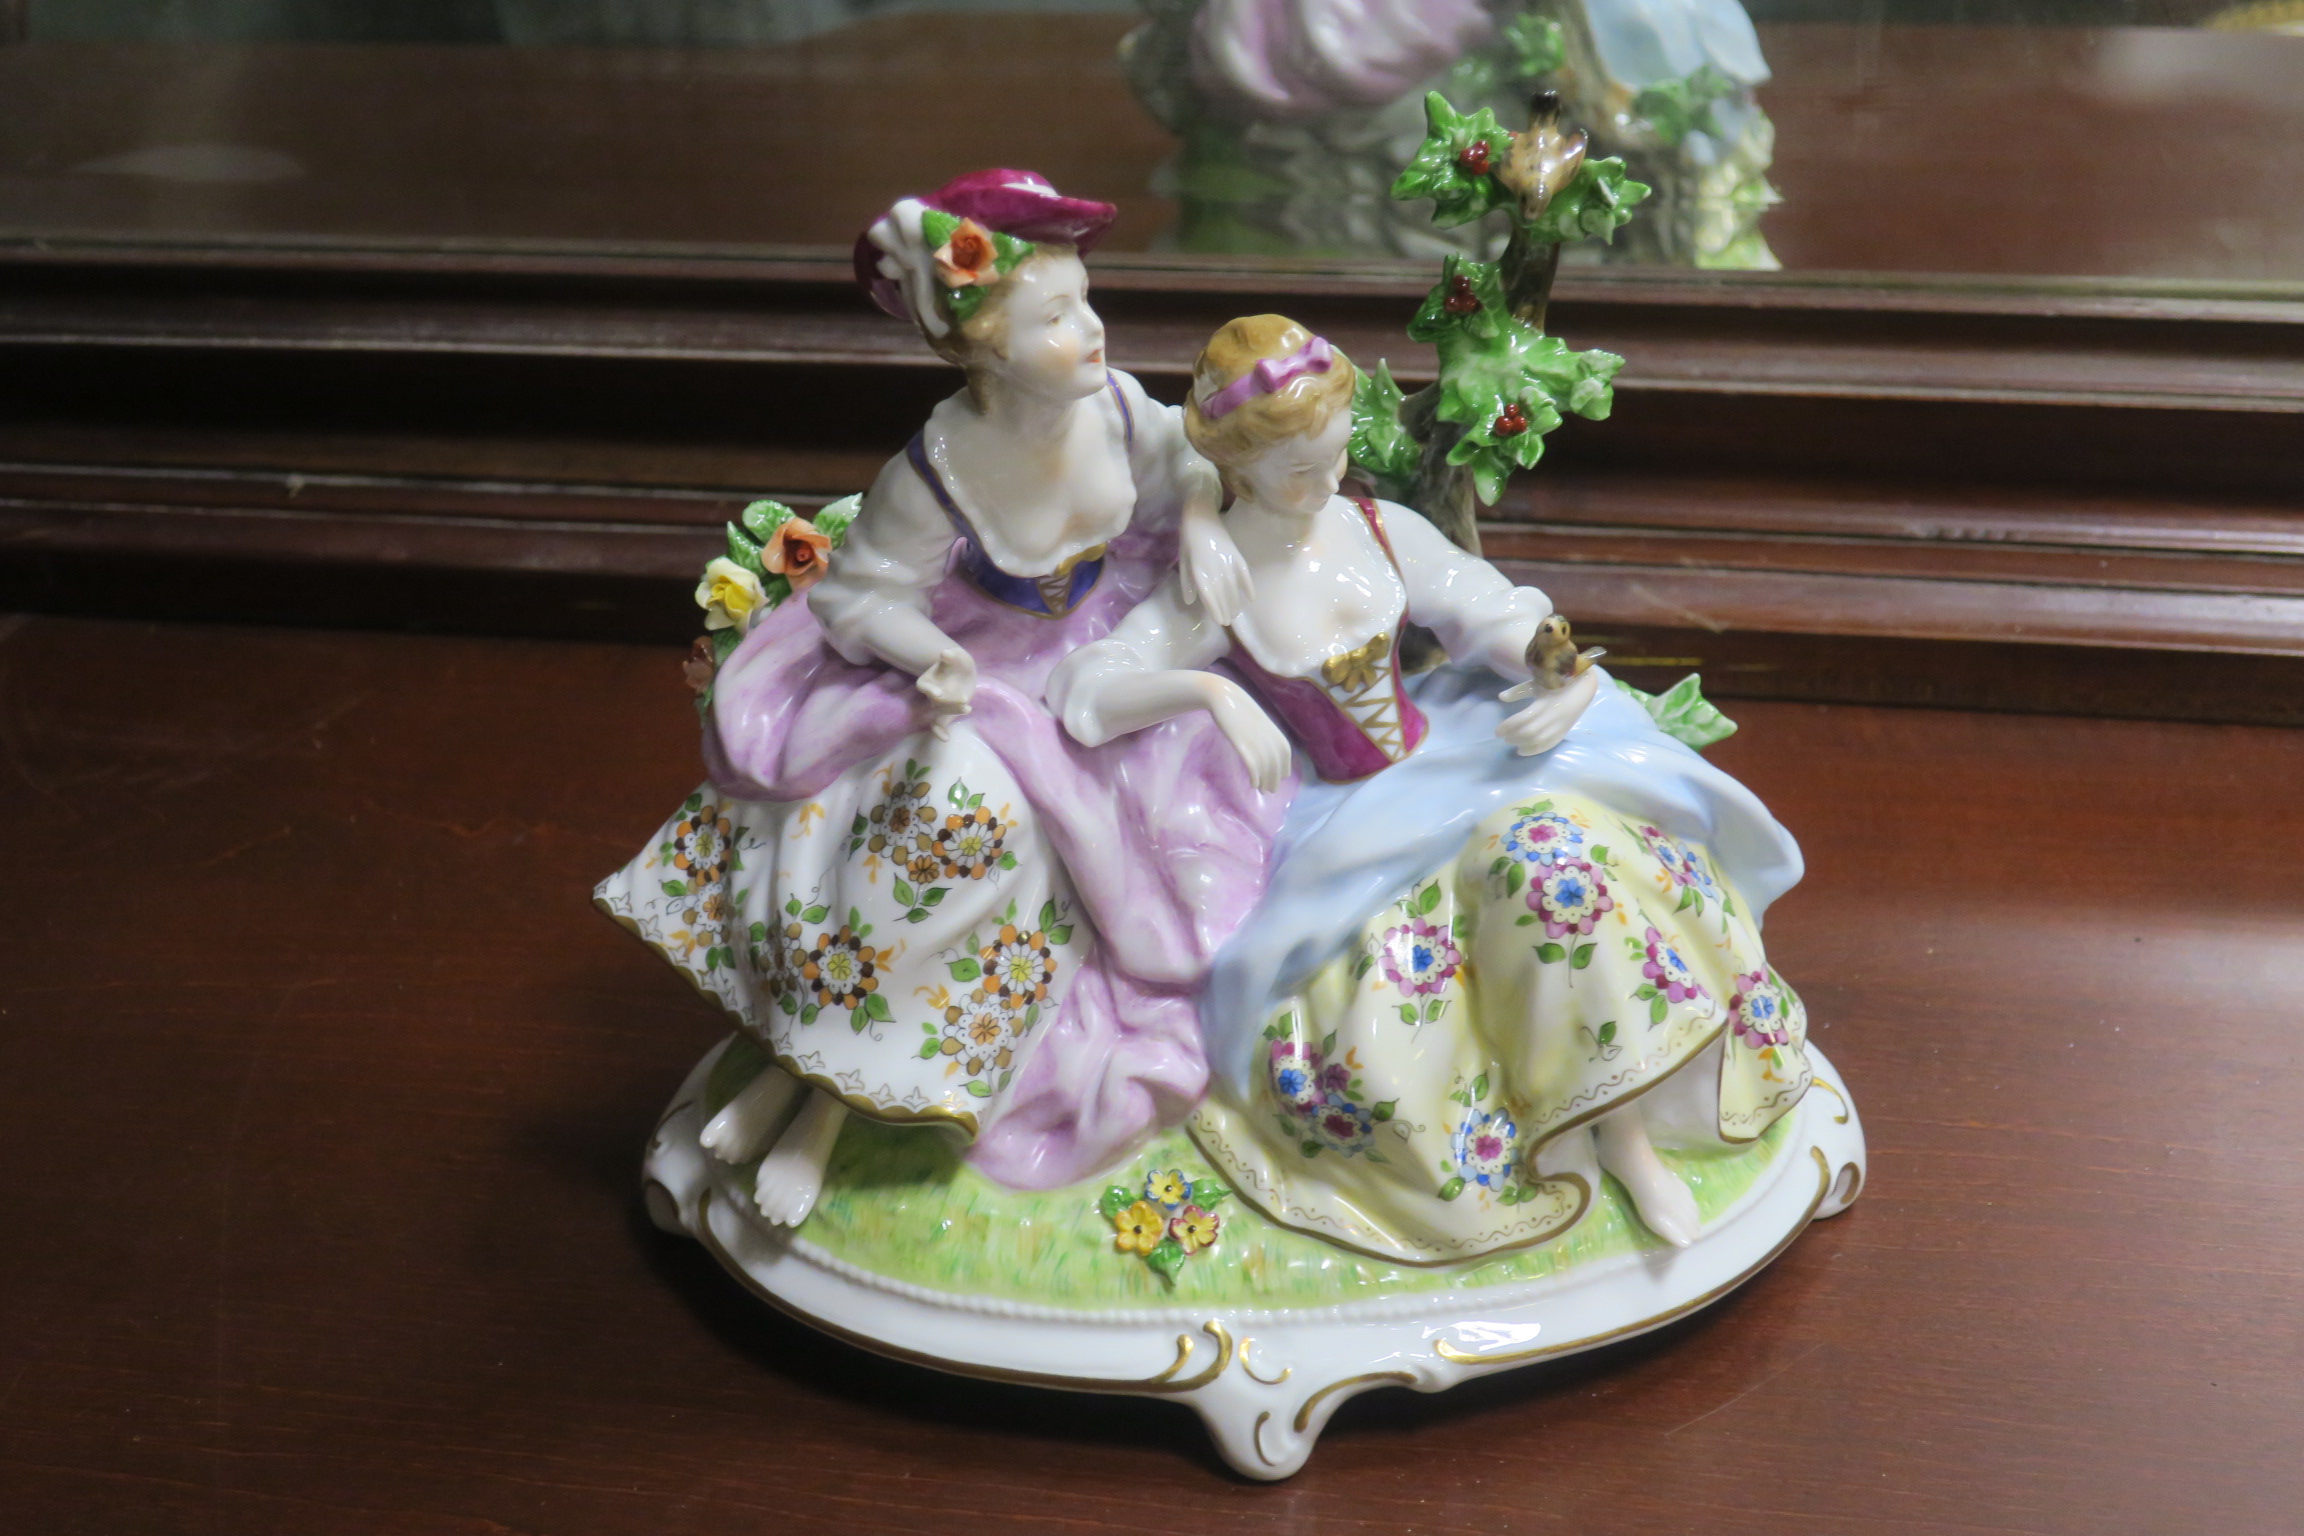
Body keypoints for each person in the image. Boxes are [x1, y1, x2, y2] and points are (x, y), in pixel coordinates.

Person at [1048, 314, 1812, 1262]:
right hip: (1343, 820)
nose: (1327, 485)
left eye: (1333, 459)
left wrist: (1551, 669)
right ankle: (1558, 1133)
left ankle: (1628, 1129)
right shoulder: (1220, 582)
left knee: (1559, 858)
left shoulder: (1376, 526)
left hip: (1447, 754)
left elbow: (1489, 610)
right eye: (1299, 472)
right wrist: (1207, 688)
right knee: (1403, 983)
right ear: (1237, 466)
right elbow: (1086, 694)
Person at [595, 172, 1282, 1225]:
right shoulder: (938, 467)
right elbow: (864, 596)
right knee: (927, 825)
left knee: (1025, 844)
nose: (1093, 329)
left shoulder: (1111, 408)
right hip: (982, 669)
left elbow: (1185, 462)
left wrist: (1195, 522)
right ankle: (793, 1074)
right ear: (986, 346)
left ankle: (824, 1112)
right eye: (1057, 315)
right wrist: (928, 655)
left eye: (1088, 300)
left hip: (1099, 661)